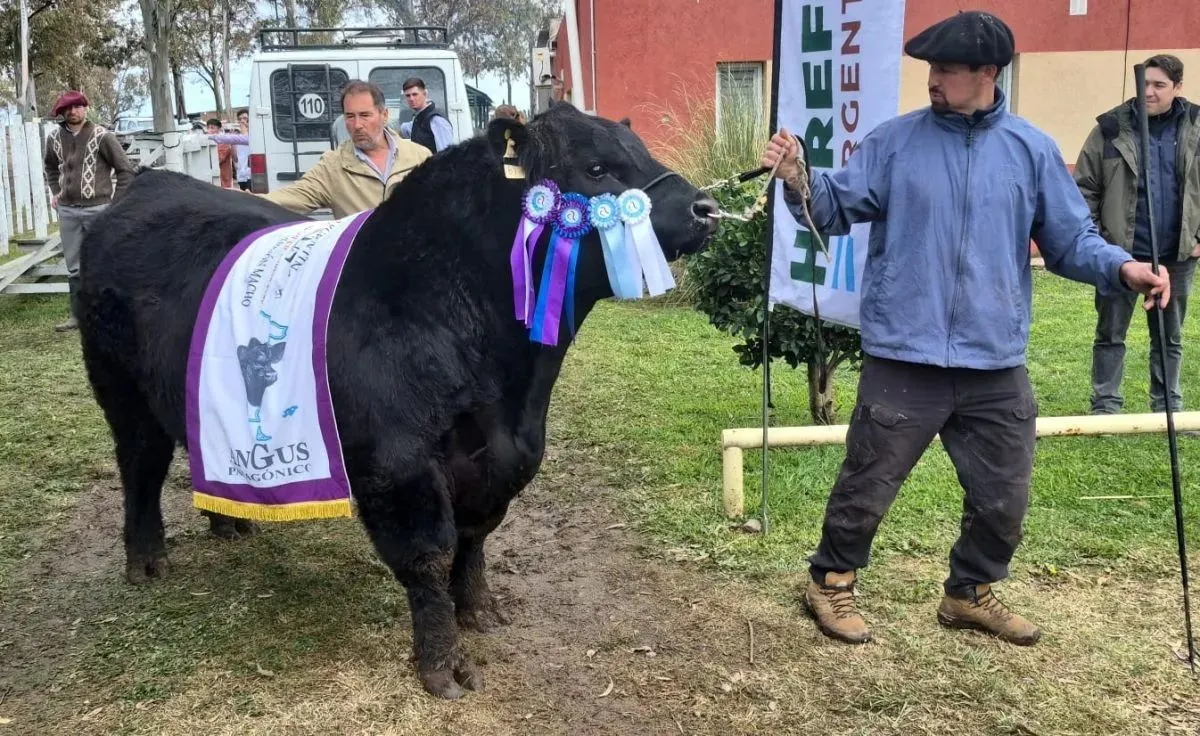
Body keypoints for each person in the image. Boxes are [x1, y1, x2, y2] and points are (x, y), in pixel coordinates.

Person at [759, 10, 1169, 647]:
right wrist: (798, 178)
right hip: (905, 351)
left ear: (988, 72)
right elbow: (834, 207)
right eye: (931, 67)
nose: (934, 79)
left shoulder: (1031, 150)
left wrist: (1123, 267)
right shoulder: (894, 143)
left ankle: (969, 593)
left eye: (948, 69)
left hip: (993, 358)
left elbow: (1070, 241)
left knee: (1004, 495)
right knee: (867, 483)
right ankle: (830, 582)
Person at [1075, 54, 1200, 416]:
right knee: (1110, 335)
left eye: (1159, 85)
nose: (1149, 92)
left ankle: (1167, 407)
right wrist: (1098, 241)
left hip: (1176, 256)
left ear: (1178, 87)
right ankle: (1105, 407)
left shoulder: (1195, 126)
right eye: (1145, 83)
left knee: (1168, 337)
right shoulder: (1110, 128)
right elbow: (1084, 189)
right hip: (1121, 257)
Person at [262, 79, 431, 219]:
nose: (357, 125)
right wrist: (248, 200)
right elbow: (291, 197)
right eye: (350, 116)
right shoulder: (333, 166)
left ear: (384, 115)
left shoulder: (420, 157)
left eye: (365, 115)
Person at [43, 89, 136, 332]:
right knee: (74, 265)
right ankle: (78, 316)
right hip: (68, 211)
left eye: (77, 106)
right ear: (62, 112)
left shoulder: (102, 136)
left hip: (99, 209)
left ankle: (111, 314)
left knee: (105, 261)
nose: (73, 111)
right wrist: (56, 191)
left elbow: (125, 170)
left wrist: (116, 204)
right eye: (68, 108)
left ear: (85, 108)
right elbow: (50, 167)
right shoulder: (54, 138)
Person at [398, 77, 453, 153]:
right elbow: (406, 128)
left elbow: (446, 155)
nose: (411, 99)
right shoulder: (418, 119)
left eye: (415, 94)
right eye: (408, 95)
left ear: (425, 94)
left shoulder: (437, 120)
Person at [208, 109, 252, 191]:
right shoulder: (236, 137)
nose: (242, 121)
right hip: (241, 176)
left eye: (245, 118)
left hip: (251, 175)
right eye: (240, 119)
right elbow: (235, 158)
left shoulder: (253, 135)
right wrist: (232, 143)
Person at [207, 118, 235, 189]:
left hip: (223, 180)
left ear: (219, 129)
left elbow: (217, 160)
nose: (209, 130)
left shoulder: (223, 142)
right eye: (208, 128)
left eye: (212, 128)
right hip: (213, 180)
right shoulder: (208, 141)